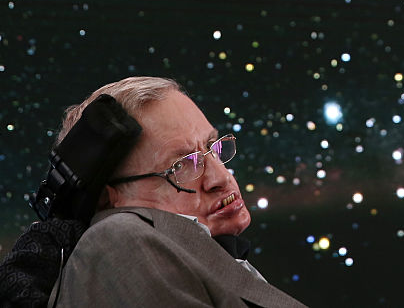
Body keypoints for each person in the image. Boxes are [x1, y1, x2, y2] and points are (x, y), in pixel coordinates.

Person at [45, 76, 309, 308]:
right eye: (182, 165)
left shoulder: (195, 259)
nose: (220, 177)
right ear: (109, 197)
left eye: (212, 147)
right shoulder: (118, 240)